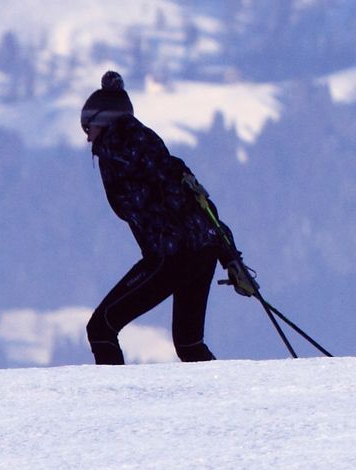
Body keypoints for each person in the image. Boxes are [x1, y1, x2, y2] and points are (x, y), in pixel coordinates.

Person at [76, 71, 258, 365]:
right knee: (189, 344)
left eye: (89, 126)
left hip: (171, 256)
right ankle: (220, 403)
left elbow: (170, 199)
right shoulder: (148, 146)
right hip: (202, 251)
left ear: (105, 121)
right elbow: (195, 199)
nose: (87, 136)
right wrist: (229, 255)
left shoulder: (118, 149)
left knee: (101, 327)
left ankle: (114, 406)